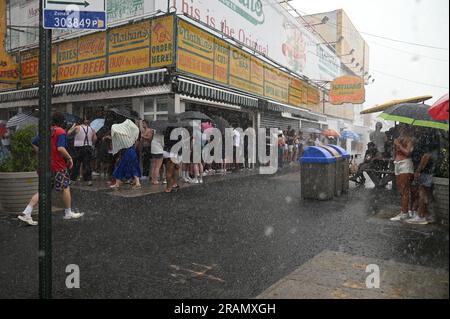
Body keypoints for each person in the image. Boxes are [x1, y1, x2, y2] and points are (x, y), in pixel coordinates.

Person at [18, 112, 84, 226]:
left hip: (45, 165)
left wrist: (43, 153)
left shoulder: (46, 131)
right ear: (62, 122)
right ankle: (68, 212)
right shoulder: (60, 132)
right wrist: (69, 158)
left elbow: (34, 143)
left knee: (43, 190)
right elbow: (60, 148)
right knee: (66, 187)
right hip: (58, 166)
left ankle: (26, 213)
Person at [408, 128, 440, 225]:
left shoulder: (429, 137)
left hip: (426, 171)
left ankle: (421, 216)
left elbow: (426, 156)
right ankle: (426, 215)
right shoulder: (435, 137)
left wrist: (418, 170)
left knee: (422, 193)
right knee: (426, 193)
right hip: (431, 170)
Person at [390, 125, 415, 222]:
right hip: (397, 164)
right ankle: (404, 211)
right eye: (399, 128)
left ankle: (404, 213)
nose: (400, 129)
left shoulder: (409, 140)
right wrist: (395, 146)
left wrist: (399, 145)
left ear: (406, 129)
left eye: (402, 127)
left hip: (405, 165)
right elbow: (395, 153)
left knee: (405, 190)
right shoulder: (399, 139)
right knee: (401, 190)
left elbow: (408, 153)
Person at [68, 118, 97, 186]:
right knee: (87, 164)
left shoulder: (77, 127)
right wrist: (91, 143)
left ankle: (73, 179)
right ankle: (89, 180)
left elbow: (68, 133)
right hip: (88, 148)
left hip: (78, 148)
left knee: (76, 164)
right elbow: (95, 138)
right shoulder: (92, 129)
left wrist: (73, 126)